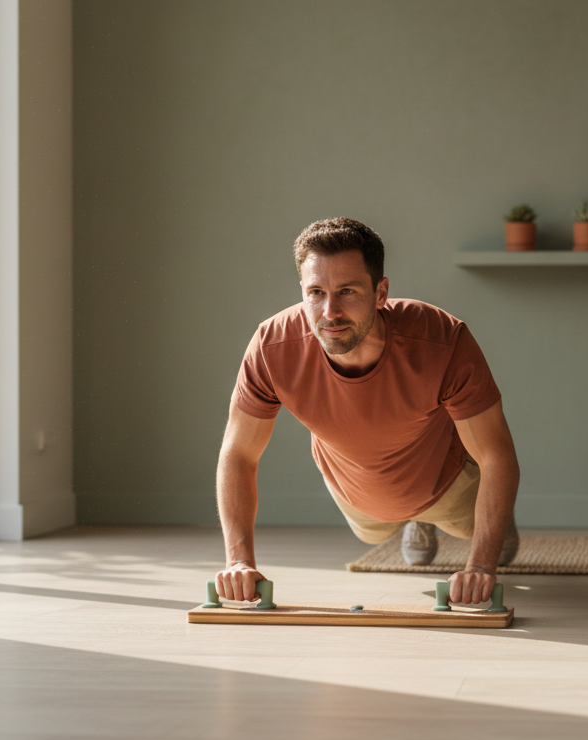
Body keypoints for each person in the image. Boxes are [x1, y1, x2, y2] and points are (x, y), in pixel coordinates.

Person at [215, 218, 520, 606]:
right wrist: (239, 562)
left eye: (347, 292)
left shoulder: (442, 340)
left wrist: (480, 566)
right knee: (373, 534)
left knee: (499, 546)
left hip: (444, 487)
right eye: (315, 292)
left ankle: (464, 522)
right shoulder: (273, 346)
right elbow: (239, 453)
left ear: (381, 293)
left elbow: (497, 457)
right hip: (358, 496)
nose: (330, 312)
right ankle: (412, 522)